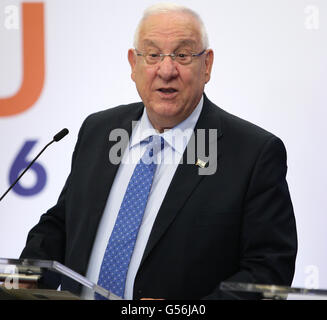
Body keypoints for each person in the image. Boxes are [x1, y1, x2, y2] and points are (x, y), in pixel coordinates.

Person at [20, 3, 297, 300]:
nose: (166, 70)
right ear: (133, 64)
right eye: (152, 55)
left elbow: (268, 271)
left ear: (207, 65)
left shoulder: (252, 153)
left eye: (183, 55)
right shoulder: (99, 131)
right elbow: (63, 223)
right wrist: (28, 272)